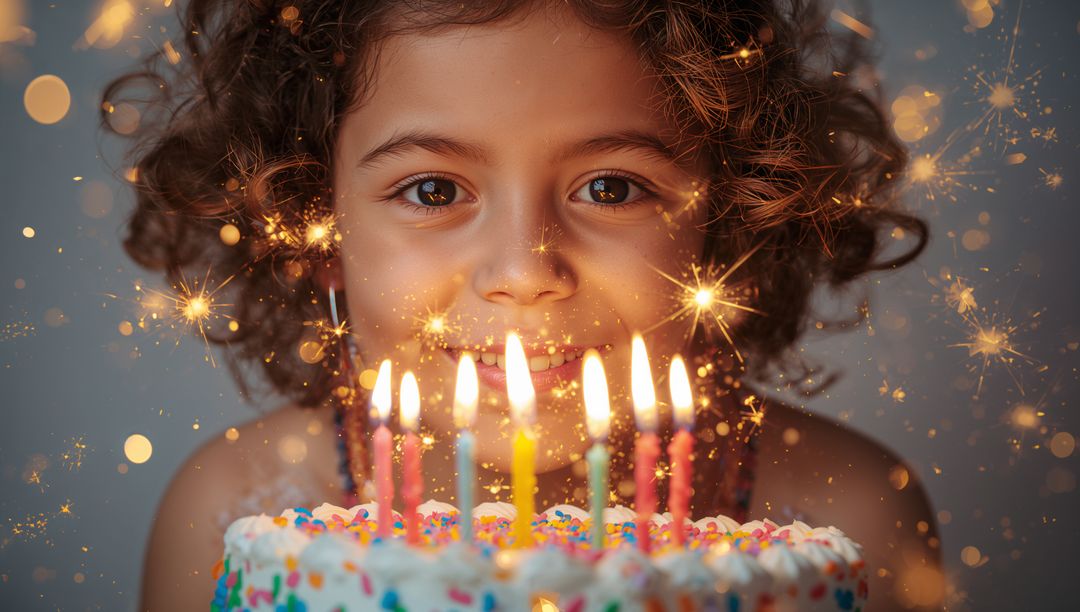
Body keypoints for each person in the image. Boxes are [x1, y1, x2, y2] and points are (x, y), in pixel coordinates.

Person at [104, 0, 943, 609]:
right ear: (311, 226)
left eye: (611, 188)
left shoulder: (853, 509)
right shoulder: (234, 507)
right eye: (433, 189)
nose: (525, 269)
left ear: (727, 225)